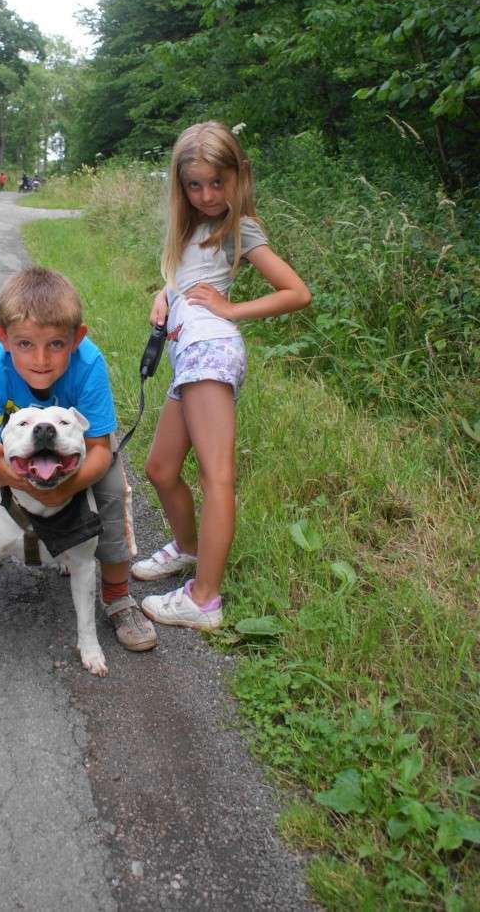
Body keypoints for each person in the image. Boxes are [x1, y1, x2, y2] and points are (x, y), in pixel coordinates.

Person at [0, 266, 157, 652]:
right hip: (7, 437)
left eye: (56, 344)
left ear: (77, 338)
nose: (41, 359)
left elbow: (100, 449)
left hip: (72, 434)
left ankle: (118, 595)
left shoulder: (89, 366)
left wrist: (67, 485)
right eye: (25, 345)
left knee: (113, 489)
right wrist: (12, 477)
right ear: (2, 338)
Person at [132, 121, 311, 630]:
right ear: (180, 185)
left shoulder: (241, 227)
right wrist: (164, 293)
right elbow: (184, 275)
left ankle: (204, 600)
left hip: (211, 349)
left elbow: (296, 293)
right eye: (195, 184)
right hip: (187, 354)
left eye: (217, 182)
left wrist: (233, 309)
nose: (208, 195)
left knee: (217, 477)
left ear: (238, 176)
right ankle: (189, 549)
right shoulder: (186, 224)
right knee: (162, 469)